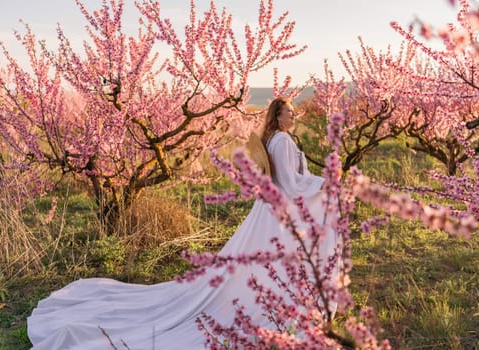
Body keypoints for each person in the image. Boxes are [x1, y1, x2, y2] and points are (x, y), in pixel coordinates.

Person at [27, 97, 339, 349]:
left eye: (294, 112)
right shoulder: (283, 141)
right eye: (289, 112)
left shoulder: (277, 138)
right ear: (278, 115)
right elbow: (290, 182)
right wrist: (323, 185)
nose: (294, 116)